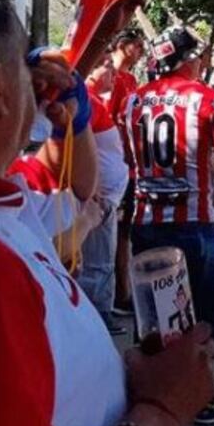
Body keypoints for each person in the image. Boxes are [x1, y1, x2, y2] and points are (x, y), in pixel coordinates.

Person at [0, 0, 214, 426]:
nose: (37, 78)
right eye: (21, 67)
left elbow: (74, 190)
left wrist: (69, 125)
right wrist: (162, 410)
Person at [122, 25, 214, 425]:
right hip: (194, 223)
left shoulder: (133, 102)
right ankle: (209, 398)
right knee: (206, 313)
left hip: (147, 223)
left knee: (153, 315)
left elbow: (130, 162)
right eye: (199, 56)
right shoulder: (208, 100)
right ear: (187, 59)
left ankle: (149, 397)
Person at [79, 52, 130, 335]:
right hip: (99, 199)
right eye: (107, 66)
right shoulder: (84, 99)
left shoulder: (92, 100)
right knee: (97, 262)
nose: (113, 71)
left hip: (106, 197)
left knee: (103, 258)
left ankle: (102, 312)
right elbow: (78, 147)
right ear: (91, 71)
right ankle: (97, 317)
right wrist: (94, 189)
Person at [108, 28, 146, 316]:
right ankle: (117, 292)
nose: (141, 51)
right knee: (114, 232)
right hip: (112, 163)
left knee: (125, 233)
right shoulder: (108, 77)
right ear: (123, 46)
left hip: (130, 165)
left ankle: (123, 289)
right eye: (137, 45)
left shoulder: (131, 79)